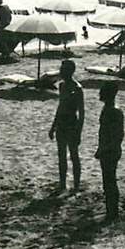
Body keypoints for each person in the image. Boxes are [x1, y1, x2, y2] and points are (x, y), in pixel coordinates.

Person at [48, 59, 84, 194]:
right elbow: (60, 107)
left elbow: (82, 112)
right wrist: (53, 126)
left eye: (63, 70)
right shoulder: (62, 86)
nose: (61, 72)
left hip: (71, 123)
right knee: (61, 155)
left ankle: (76, 186)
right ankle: (62, 184)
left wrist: (79, 132)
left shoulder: (77, 88)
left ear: (70, 71)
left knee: (74, 155)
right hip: (61, 123)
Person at [93, 81, 125, 223]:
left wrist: (104, 149)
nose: (100, 94)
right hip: (107, 148)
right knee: (108, 181)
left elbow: (117, 135)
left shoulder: (113, 111)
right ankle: (111, 209)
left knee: (110, 181)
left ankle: (113, 211)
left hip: (110, 150)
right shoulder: (108, 109)